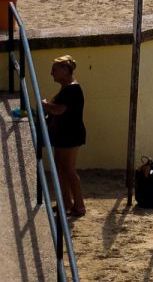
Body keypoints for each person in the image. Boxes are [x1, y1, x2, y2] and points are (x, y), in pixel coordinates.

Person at [41, 54, 85, 218]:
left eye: (55, 70)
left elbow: (59, 110)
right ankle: (66, 202)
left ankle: (78, 205)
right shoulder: (68, 88)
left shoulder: (72, 89)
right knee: (61, 169)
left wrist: (45, 105)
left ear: (65, 70)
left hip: (70, 134)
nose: (52, 73)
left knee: (68, 169)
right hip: (65, 133)